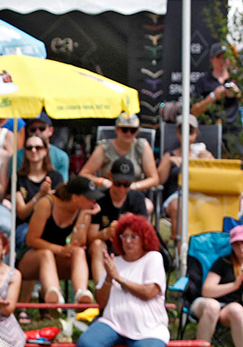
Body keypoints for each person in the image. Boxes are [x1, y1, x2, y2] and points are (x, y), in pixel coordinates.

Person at [76, 213, 168, 347]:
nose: (127, 241)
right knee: (86, 345)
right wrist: (109, 278)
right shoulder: (114, 262)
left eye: (133, 237)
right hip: (113, 323)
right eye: (124, 236)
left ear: (144, 238)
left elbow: (149, 292)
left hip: (149, 327)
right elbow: (101, 302)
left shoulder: (153, 258)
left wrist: (118, 278)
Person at [19, 176, 102, 306]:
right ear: (75, 197)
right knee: (46, 254)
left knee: (78, 252)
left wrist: (84, 215)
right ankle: (54, 294)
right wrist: (59, 249)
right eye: (89, 197)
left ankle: (81, 292)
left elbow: (78, 243)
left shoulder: (83, 210)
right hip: (32, 257)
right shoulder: (47, 204)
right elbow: (31, 240)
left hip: (58, 259)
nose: (93, 201)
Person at [189, 225, 243, 347]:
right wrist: (234, 285)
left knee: (237, 310)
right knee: (212, 306)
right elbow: (207, 290)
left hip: (230, 310)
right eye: (237, 243)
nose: (240, 247)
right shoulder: (223, 263)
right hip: (206, 304)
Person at [88, 158, 153, 286]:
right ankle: (101, 289)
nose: (122, 189)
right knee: (97, 244)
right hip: (104, 248)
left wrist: (131, 224)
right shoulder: (100, 199)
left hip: (130, 246)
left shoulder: (137, 199)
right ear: (110, 177)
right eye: (118, 183)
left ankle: (134, 287)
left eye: (126, 184)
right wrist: (108, 232)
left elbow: (146, 233)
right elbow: (90, 237)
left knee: (137, 245)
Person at [80, 113, 159, 194]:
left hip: (134, 194)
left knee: (148, 206)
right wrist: (102, 182)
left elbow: (154, 179)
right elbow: (84, 174)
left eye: (133, 130)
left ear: (137, 131)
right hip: (108, 194)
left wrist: (134, 186)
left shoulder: (142, 146)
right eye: (124, 129)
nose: (128, 133)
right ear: (117, 129)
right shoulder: (104, 147)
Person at [191, 42, 243, 157]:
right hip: (209, 130)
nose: (222, 61)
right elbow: (194, 111)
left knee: (237, 165)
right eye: (219, 57)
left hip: (233, 132)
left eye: (225, 58)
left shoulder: (237, 80)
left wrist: (238, 94)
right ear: (212, 59)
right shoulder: (203, 82)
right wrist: (212, 97)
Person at [13, 134, 64, 251]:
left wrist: (49, 195)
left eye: (38, 147)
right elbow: (22, 213)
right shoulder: (18, 178)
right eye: (29, 148)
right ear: (25, 152)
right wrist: (40, 195)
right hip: (26, 225)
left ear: (46, 151)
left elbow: (60, 207)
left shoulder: (56, 177)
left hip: (50, 225)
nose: (33, 150)